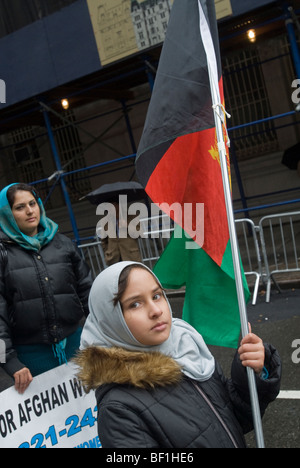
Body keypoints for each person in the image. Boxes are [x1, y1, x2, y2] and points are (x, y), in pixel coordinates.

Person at [76, 261, 281, 448]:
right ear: (109, 319)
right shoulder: (118, 410)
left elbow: (234, 418)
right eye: (135, 304)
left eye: (156, 295)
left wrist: (249, 371)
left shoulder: (188, 348)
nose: (156, 310)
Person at [0, 183, 92, 394]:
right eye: (20, 207)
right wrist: (10, 362)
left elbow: (88, 293)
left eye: (33, 203)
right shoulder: (2, 254)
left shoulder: (63, 244)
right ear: (7, 213)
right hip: (30, 360)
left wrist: (105, 334)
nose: (30, 211)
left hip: (76, 347)